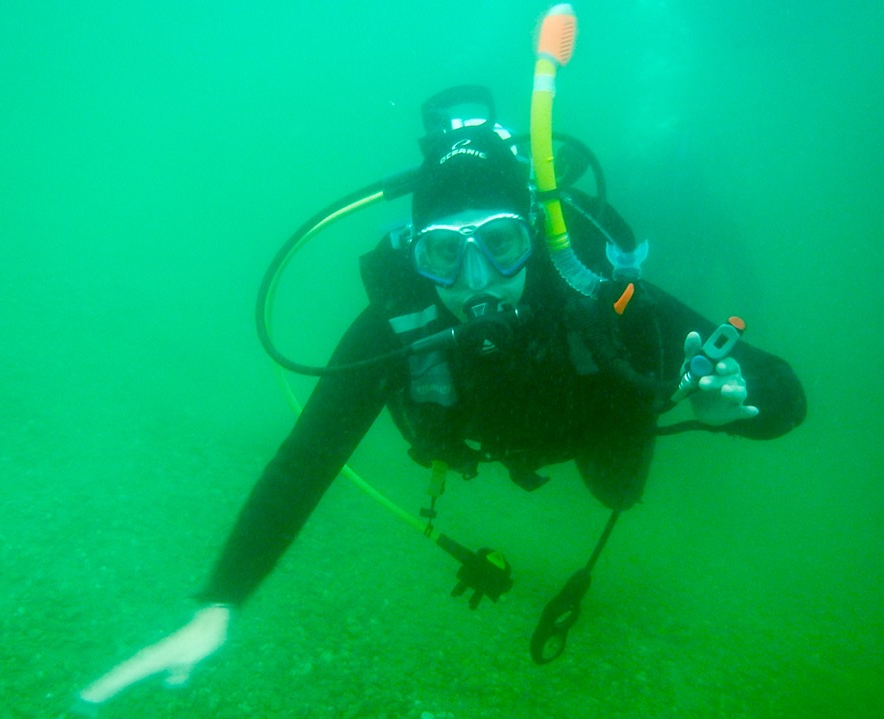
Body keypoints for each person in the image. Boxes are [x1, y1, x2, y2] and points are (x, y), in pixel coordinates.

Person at [76, 87, 806, 709]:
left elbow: (786, 395)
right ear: (415, 252)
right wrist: (220, 602)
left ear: (534, 236)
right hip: (489, 435)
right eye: (444, 253)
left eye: (500, 243)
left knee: (618, 490)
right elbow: (307, 457)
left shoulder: (589, 290)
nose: (476, 279)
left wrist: (735, 410)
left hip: (597, 425)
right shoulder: (399, 322)